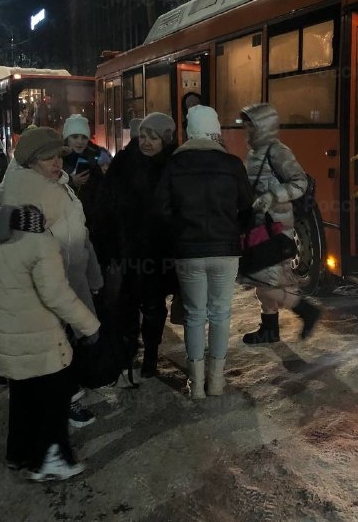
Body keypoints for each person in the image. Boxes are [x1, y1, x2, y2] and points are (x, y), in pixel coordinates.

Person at [0, 126, 104, 427]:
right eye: (48, 158)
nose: (56, 163)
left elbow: (81, 234)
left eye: (58, 156)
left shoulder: (62, 186)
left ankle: (62, 404)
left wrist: (92, 273)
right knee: (54, 354)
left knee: (67, 349)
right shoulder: (15, 189)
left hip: (71, 280)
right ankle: (58, 415)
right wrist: (8, 219)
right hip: (40, 292)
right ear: (30, 161)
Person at [154, 106, 253, 398]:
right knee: (221, 314)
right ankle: (217, 382)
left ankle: (196, 384)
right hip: (226, 251)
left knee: (195, 316)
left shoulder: (174, 164)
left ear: (190, 131)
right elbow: (248, 207)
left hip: (188, 252)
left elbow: (160, 210)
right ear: (215, 131)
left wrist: (180, 232)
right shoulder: (232, 164)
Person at [0, 204, 99, 480]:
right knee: (54, 398)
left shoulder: (3, 243)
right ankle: (51, 458)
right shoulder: (41, 245)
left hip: (10, 340)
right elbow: (56, 295)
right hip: (41, 339)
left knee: (22, 396)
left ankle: (18, 454)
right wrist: (88, 325)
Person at [92, 112, 177, 380]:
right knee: (125, 306)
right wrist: (106, 247)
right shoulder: (124, 162)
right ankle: (128, 350)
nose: (147, 142)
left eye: (154, 137)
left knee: (153, 306)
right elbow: (104, 206)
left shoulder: (173, 166)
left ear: (166, 140)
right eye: (144, 136)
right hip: (125, 249)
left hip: (158, 252)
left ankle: (151, 352)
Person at [239, 103, 321, 344]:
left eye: (250, 126)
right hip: (260, 224)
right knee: (261, 278)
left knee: (267, 280)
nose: (247, 130)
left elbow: (299, 183)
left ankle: (306, 310)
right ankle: (269, 329)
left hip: (276, 225)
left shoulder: (277, 151)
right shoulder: (255, 151)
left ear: (263, 126)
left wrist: (271, 196)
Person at [61, 114, 104, 228]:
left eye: (84, 137)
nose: (80, 142)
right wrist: (71, 182)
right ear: (67, 139)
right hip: (63, 221)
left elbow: (101, 193)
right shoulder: (56, 159)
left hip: (89, 222)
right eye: (75, 137)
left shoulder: (93, 161)